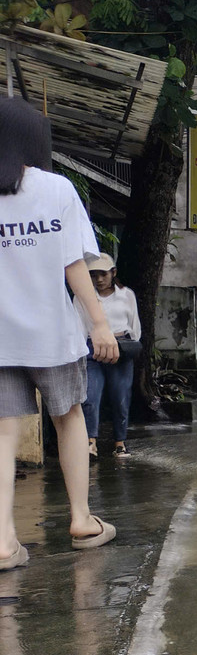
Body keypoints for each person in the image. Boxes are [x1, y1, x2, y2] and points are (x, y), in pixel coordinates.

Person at [0, 97, 119, 568]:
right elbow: (75, 267)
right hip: (52, 334)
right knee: (69, 418)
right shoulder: (57, 189)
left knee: (3, 432)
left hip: (1, 340)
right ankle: (81, 520)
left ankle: (5, 540)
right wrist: (101, 324)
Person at [75, 253, 140, 459]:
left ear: (113, 273)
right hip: (92, 349)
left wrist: (131, 347)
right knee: (90, 396)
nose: (99, 279)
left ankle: (120, 443)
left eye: (103, 274)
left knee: (120, 397)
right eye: (93, 275)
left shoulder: (126, 295)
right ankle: (89, 442)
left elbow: (134, 325)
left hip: (120, 349)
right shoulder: (82, 296)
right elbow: (79, 325)